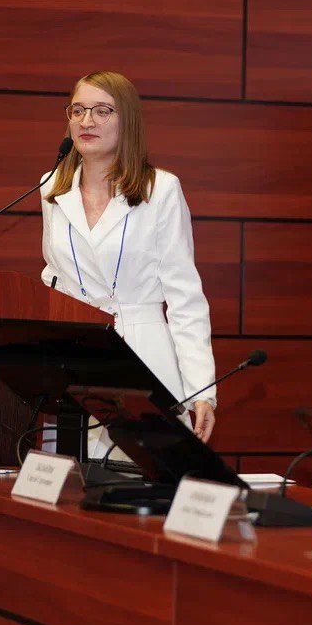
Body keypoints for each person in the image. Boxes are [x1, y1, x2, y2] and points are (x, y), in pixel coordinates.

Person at [40, 71, 217, 454]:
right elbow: (53, 277)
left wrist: (201, 390)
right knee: (70, 478)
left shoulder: (160, 189)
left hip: (142, 355)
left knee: (137, 478)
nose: (87, 121)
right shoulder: (51, 188)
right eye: (78, 110)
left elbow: (185, 299)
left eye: (102, 111)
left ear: (128, 121)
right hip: (73, 360)